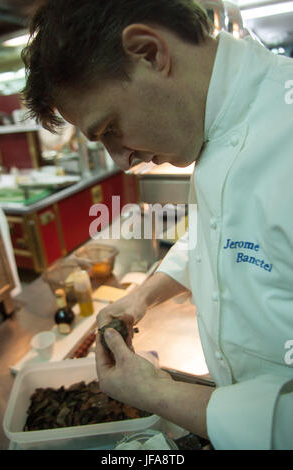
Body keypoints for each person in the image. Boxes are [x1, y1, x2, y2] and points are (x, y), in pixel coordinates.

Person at [22, 0, 293, 450]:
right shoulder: (213, 123)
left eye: (110, 128)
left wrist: (156, 393)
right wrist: (140, 296)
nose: (123, 162)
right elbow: (218, 234)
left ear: (149, 52)